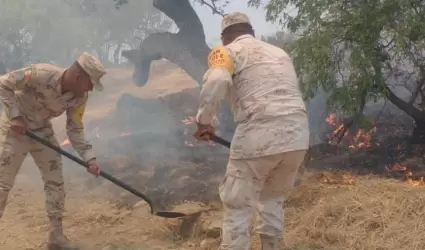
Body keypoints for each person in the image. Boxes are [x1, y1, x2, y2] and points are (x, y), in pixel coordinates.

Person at [193, 12, 310, 250]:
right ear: (252, 32)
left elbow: (217, 81)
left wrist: (204, 121)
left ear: (225, 36)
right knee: (272, 200)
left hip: (258, 133)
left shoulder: (225, 51)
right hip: (297, 137)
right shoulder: (280, 53)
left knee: (238, 207)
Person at [0, 52, 106, 250]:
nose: (91, 88)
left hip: (42, 132)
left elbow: (75, 128)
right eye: (90, 83)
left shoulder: (80, 97)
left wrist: (90, 158)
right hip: (14, 132)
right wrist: (15, 116)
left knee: (55, 181)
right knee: (2, 184)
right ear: (78, 77)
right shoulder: (40, 73)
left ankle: (56, 237)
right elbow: (3, 84)